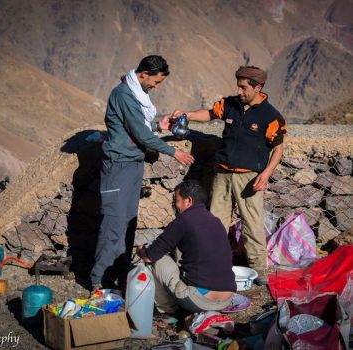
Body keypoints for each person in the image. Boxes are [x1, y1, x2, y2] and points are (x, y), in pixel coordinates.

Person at [173, 66, 286, 285]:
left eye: (244, 87)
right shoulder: (230, 104)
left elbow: (278, 148)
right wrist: (187, 115)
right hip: (222, 173)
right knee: (215, 221)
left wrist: (266, 174)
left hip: (249, 178)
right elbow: (210, 114)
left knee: (252, 222)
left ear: (258, 88)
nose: (240, 91)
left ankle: (259, 268)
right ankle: (213, 263)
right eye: (238, 86)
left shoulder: (271, 116)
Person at [90, 55, 194, 291]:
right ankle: (98, 280)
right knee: (113, 224)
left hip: (132, 164)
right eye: (156, 81)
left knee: (127, 222)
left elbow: (138, 126)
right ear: (143, 74)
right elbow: (141, 135)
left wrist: (160, 126)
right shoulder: (123, 95)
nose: (156, 87)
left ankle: (118, 274)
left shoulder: (135, 95)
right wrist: (173, 151)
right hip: (119, 165)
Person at [137, 180, 237, 313]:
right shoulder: (216, 221)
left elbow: (150, 256)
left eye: (177, 200)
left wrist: (141, 252)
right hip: (226, 300)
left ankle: (168, 309)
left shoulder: (183, 220)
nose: (176, 205)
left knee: (155, 261)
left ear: (188, 201)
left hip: (200, 301)